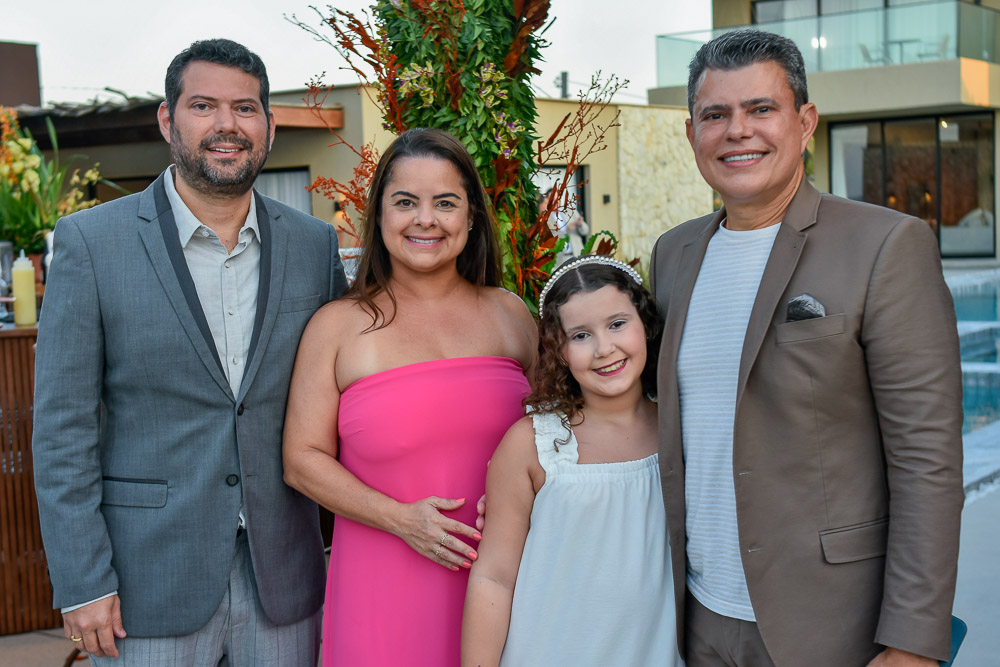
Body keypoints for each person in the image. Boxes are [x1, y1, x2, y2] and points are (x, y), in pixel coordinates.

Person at [648, 29, 964, 666]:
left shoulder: (884, 245)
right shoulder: (673, 255)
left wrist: (912, 644)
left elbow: (926, 459)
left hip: (832, 625)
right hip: (698, 619)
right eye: (716, 115)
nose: (739, 131)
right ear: (691, 135)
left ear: (805, 121)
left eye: (761, 109)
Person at [32, 39, 348, 665]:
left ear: (270, 125)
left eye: (246, 108)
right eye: (203, 105)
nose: (226, 126)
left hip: (284, 580)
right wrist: (83, 581)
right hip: (143, 585)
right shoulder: (91, 243)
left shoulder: (314, 247)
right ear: (166, 119)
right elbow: (62, 429)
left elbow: (346, 397)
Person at [282, 128, 537, 666]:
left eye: (446, 203)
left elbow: (560, 434)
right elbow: (301, 461)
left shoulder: (511, 316)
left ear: (471, 217)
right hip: (382, 596)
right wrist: (401, 519)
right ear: (379, 216)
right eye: (405, 202)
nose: (426, 219)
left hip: (511, 589)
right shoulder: (337, 327)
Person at [461, 255, 682, 667]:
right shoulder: (534, 443)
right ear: (558, 350)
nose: (604, 349)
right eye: (581, 335)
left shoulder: (680, 429)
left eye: (618, 324)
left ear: (646, 324)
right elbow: (494, 576)